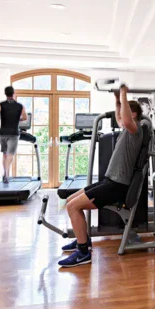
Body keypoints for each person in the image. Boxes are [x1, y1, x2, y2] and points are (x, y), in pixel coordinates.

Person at [58, 86, 144, 267]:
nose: (120, 114)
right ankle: (84, 240)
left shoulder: (136, 132)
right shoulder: (126, 131)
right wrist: (117, 99)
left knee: (73, 207)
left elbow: (126, 119)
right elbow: (121, 117)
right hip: (110, 181)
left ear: (134, 114)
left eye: (126, 110)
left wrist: (123, 93)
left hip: (117, 185)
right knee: (71, 200)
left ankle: (83, 252)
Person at [0, 86, 28, 184]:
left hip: (3, 133)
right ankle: (7, 173)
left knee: (4, 154)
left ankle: (5, 172)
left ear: (5, 94)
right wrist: (17, 119)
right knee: (10, 155)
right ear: (14, 94)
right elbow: (25, 117)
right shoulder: (20, 106)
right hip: (14, 133)